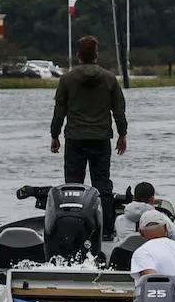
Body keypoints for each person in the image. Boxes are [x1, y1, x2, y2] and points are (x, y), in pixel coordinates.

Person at [50, 35, 127, 237]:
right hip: (101, 138)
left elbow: (59, 111)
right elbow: (119, 110)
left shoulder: (67, 79)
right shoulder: (109, 78)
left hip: (75, 138)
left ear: (78, 56)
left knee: (73, 185)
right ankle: (107, 230)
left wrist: (55, 135)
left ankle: (72, 230)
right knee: (103, 185)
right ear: (96, 55)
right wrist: (122, 133)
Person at [120, 180, 175, 251]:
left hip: (127, 259)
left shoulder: (119, 221)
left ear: (133, 198)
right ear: (152, 199)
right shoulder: (164, 220)